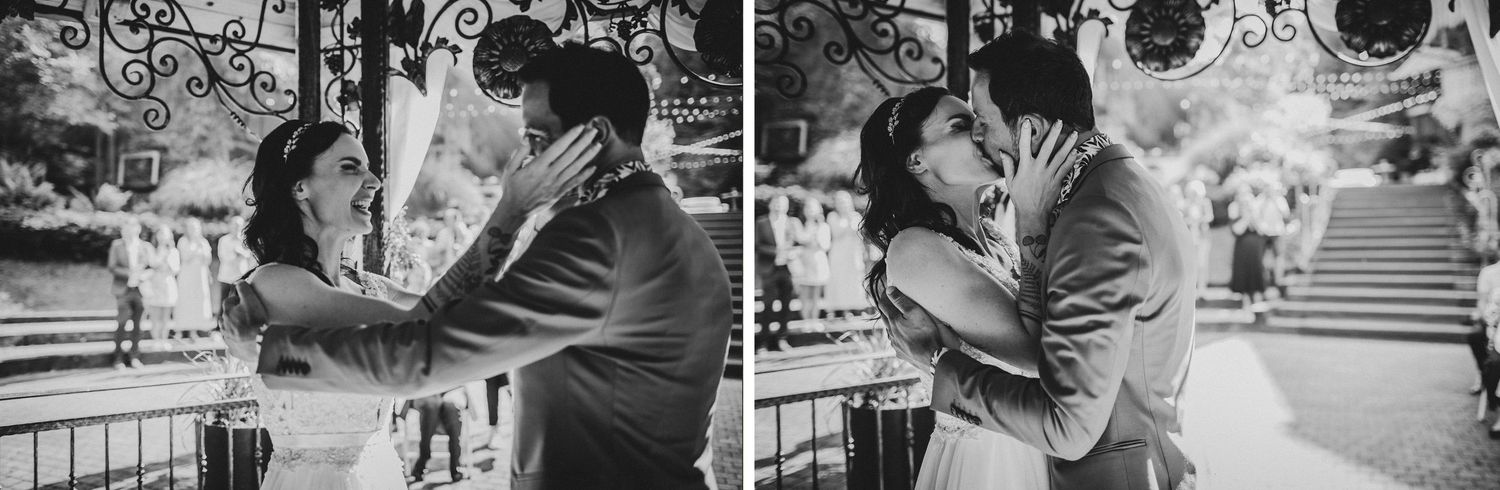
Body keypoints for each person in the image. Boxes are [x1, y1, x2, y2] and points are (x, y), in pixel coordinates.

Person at [224, 44, 733, 489]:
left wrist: (266, 350)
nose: (524, 155)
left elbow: (427, 348)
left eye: (535, 135)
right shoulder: (667, 225)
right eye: (349, 167)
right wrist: (511, 215)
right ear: (298, 188)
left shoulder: (598, 235)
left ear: (595, 134)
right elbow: (439, 326)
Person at [880, 31, 1197, 489]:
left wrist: (936, 362)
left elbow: (1064, 422)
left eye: (982, 120)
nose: (978, 134)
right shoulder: (1112, 188)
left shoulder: (1096, 218)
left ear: (1028, 127)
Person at [855, 86, 1048, 489]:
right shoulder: (914, 247)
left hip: (1035, 443)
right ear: (916, 159)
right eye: (960, 125)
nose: (980, 130)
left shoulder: (994, 236)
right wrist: (1032, 210)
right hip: (990, 463)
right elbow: (1035, 356)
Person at [756, 195, 799, 351]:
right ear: (771, 205)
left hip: (786, 269)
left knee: (786, 306)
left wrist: (792, 253)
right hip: (769, 269)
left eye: (783, 205)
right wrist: (776, 252)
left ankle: (782, 339)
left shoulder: (790, 222)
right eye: (776, 204)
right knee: (767, 306)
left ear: (787, 207)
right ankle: (763, 343)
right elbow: (757, 245)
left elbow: (795, 241)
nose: (779, 207)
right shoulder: (761, 222)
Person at [108, 219, 148, 369]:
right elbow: (112, 266)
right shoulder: (117, 245)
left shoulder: (145, 246)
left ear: (137, 229)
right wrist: (130, 274)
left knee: (138, 326)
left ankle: (135, 356)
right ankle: (117, 358)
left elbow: (151, 266)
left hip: (140, 290)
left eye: (132, 228)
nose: (130, 231)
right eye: (127, 228)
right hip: (123, 290)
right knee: (122, 323)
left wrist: (144, 275)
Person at [406, 388, 470, 482]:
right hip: (427, 391)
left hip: (450, 391)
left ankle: (454, 465)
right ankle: (424, 458)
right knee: (431, 406)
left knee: (450, 407)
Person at [824, 190, 870, 317]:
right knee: (839, 279)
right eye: (839, 201)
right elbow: (836, 234)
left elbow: (861, 236)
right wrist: (848, 222)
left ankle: (857, 307)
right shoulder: (832, 216)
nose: (842, 204)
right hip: (838, 253)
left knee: (854, 279)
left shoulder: (856, 216)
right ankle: (842, 310)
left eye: (844, 201)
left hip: (853, 252)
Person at [1229, 182, 1269, 310]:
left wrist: (1253, 215)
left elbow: (1261, 230)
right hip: (1242, 244)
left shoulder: (1256, 208)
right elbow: (1236, 230)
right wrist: (1246, 217)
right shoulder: (1234, 208)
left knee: (1257, 269)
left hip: (1256, 244)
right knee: (1243, 270)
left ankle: (1257, 298)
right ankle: (1245, 299)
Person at [140, 224, 180, 346]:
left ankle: (164, 339)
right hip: (155, 284)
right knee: (155, 316)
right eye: (161, 233)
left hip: (168, 284)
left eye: (166, 233)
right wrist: (162, 253)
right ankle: (156, 339)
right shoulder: (151, 249)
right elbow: (153, 264)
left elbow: (175, 269)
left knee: (166, 316)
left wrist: (167, 256)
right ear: (156, 235)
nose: (163, 236)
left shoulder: (174, 251)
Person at [794, 198, 831, 325]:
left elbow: (825, 245)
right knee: (804, 294)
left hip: (819, 261)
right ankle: (805, 321)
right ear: (804, 210)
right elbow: (800, 239)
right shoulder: (800, 224)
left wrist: (815, 234)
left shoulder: (824, 226)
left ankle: (814, 321)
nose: (810, 211)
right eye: (808, 208)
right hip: (804, 261)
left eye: (813, 208)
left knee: (816, 294)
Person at [175, 219, 214, 338]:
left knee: (198, 301)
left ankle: (194, 330)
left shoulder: (204, 242)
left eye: (196, 228)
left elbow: (208, 260)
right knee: (184, 300)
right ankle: (180, 330)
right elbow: (185, 258)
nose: (194, 230)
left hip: (200, 275)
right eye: (191, 227)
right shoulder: (183, 241)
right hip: (187, 274)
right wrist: (197, 249)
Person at [216, 215, 254, 320]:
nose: (237, 227)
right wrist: (235, 254)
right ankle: (220, 326)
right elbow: (223, 257)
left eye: (239, 225)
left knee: (239, 302)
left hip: (240, 276)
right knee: (224, 302)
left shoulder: (245, 239)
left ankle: (237, 324)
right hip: (226, 276)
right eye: (234, 225)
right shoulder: (224, 240)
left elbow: (250, 255)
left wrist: (241, 252)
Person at [1181, 180, 1214, 298]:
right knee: (1190, 264)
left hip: (1203, 237)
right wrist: (1189, 221)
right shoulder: (1184, 204)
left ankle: (1202, 290)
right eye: (1191, 192)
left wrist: (1199, 220)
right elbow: (1181, 219)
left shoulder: (1205, 203)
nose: (1193, 195)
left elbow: (1209, 217)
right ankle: (1191, 290)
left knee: (1202, 264)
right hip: (1190, 238)